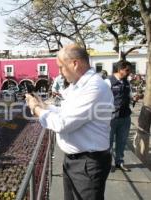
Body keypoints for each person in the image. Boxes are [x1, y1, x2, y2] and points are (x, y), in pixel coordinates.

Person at [26, 44, 113, 200]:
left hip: (87, 164)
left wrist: (35, 109)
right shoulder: (78, 87)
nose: (59, 72)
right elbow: (64, 112)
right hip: (77, 162)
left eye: (61, 67)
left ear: (75, 63)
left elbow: (62, 124)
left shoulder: (94, 87)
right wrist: (44, 105)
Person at [105, 61, 137, 172]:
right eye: (127, 70)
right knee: (107, 142)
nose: (129, 72)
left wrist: (134, 98)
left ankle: (120, 162)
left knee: (122, 141)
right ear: (120, 69)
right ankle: (107, 164)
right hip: (111, 118)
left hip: (125, 117)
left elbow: (129, 96)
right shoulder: (108, 82)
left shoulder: (127, 82)